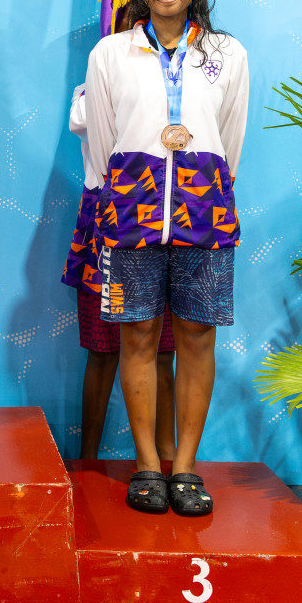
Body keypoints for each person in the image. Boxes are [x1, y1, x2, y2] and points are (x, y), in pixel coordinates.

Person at [81, 0, 248, 516]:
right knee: (138, 335)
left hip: (204, 205)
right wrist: (117, 197)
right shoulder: (111, 53)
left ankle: (185, 468)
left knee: (198, 335)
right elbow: (101, 140)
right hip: (131, 205)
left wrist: (205, 185)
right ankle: (147, 464)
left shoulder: (227, 53)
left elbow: (231, 137)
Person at [65, 86, 177, 462]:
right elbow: (81, 119)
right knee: (103, 349)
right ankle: (87, 460)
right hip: (110, 219)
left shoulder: (183, 81)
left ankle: (166, 461)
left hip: (168, 218)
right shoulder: (102, 72)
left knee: (164, 351)